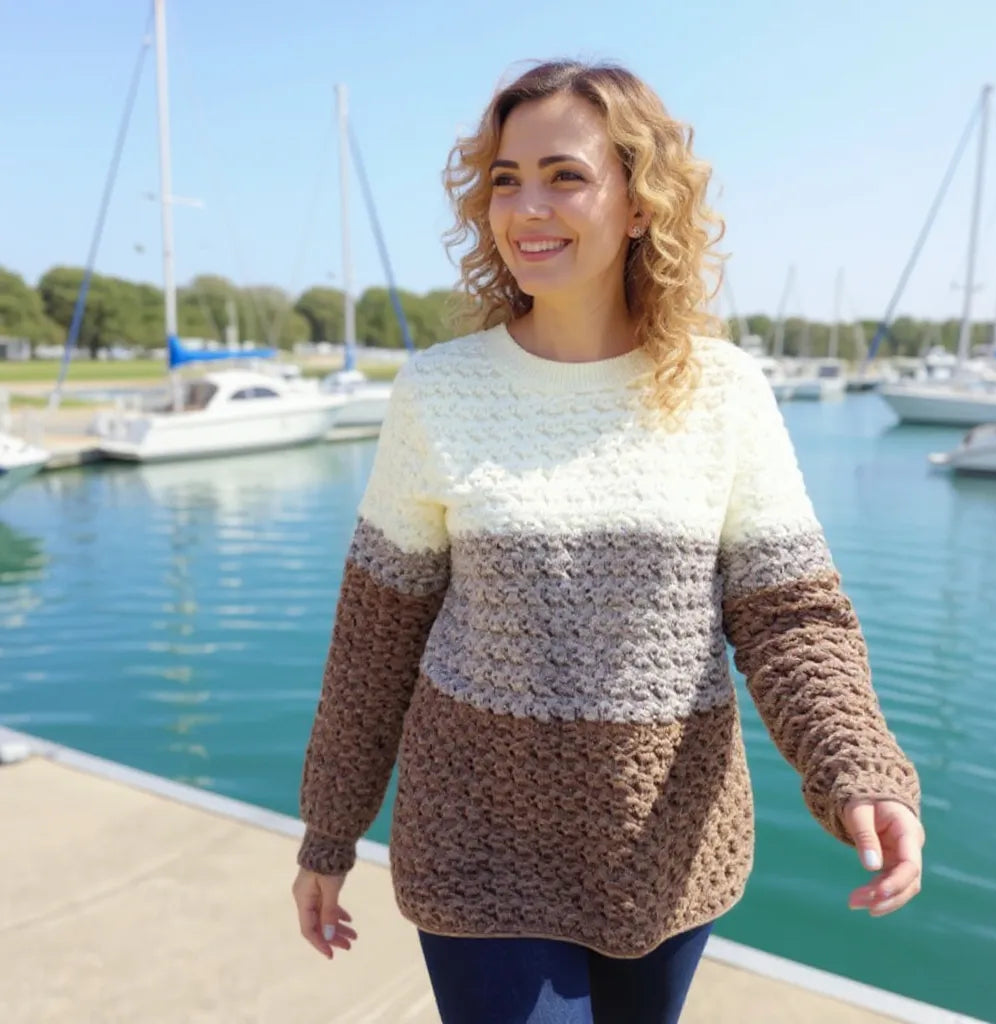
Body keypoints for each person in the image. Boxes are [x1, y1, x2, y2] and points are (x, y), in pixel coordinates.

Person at [291, 59, 925, 1024]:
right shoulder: (439, 391)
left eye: (565, 175)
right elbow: (376, 637)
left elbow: (790, 616)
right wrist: (328, 834)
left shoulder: (725, 394)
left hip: (667, 852)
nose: (526, 207)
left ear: (640, 203)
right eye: (506, 179)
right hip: (476, 846)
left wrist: (858, 769)